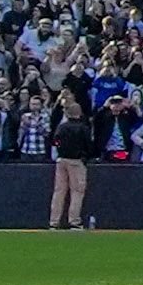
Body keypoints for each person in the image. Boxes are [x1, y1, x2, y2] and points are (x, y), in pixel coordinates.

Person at [48, 93, 97, 231]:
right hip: (76, 161)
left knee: (59, 191)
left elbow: (55, 140)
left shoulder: (62, 127)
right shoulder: (83, 128)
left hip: (61, 160)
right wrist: (85, 156)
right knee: (77, 191)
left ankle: (54, 221)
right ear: (79, 114)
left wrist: (61, 148)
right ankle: (74, 221)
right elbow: (89, 145)